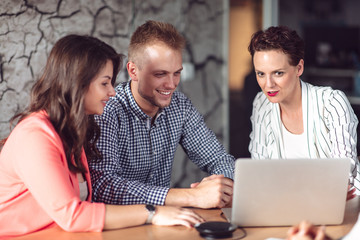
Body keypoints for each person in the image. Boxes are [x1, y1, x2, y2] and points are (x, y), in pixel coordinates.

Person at [0, 35, 204, 238]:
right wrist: (153, 212)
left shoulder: (70, 132)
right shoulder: (35, 136)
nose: (112, 92)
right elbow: (73, 215)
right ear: (78, 83)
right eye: (104, 83)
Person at [89, 20, 235, 208]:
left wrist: (222, 188)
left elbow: (219, 159)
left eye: (176, 73)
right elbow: (104, 186)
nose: (172, 84)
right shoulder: (107, 110)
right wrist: (191, 196)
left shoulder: (180, 106)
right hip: (119, 227)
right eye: (160, 74)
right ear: (134, 71)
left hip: (165, 223)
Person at [247, 26, 359, 199]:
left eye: (278, 73)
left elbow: (342, 172)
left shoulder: (332, 103)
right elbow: (260, 170)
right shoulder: (261, 105)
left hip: (344, 204)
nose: (268, 84)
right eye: (261, 73)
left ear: (299, 68)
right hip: (286, 204)